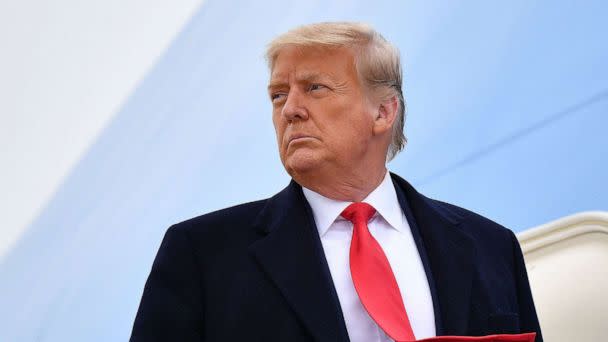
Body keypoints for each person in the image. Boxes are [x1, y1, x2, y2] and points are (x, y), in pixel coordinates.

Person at [130, 22, 543, 342]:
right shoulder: (202, 256)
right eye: (277, 95)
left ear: (383, 112)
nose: (290, 109)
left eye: (315, 88)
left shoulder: (492, 247)